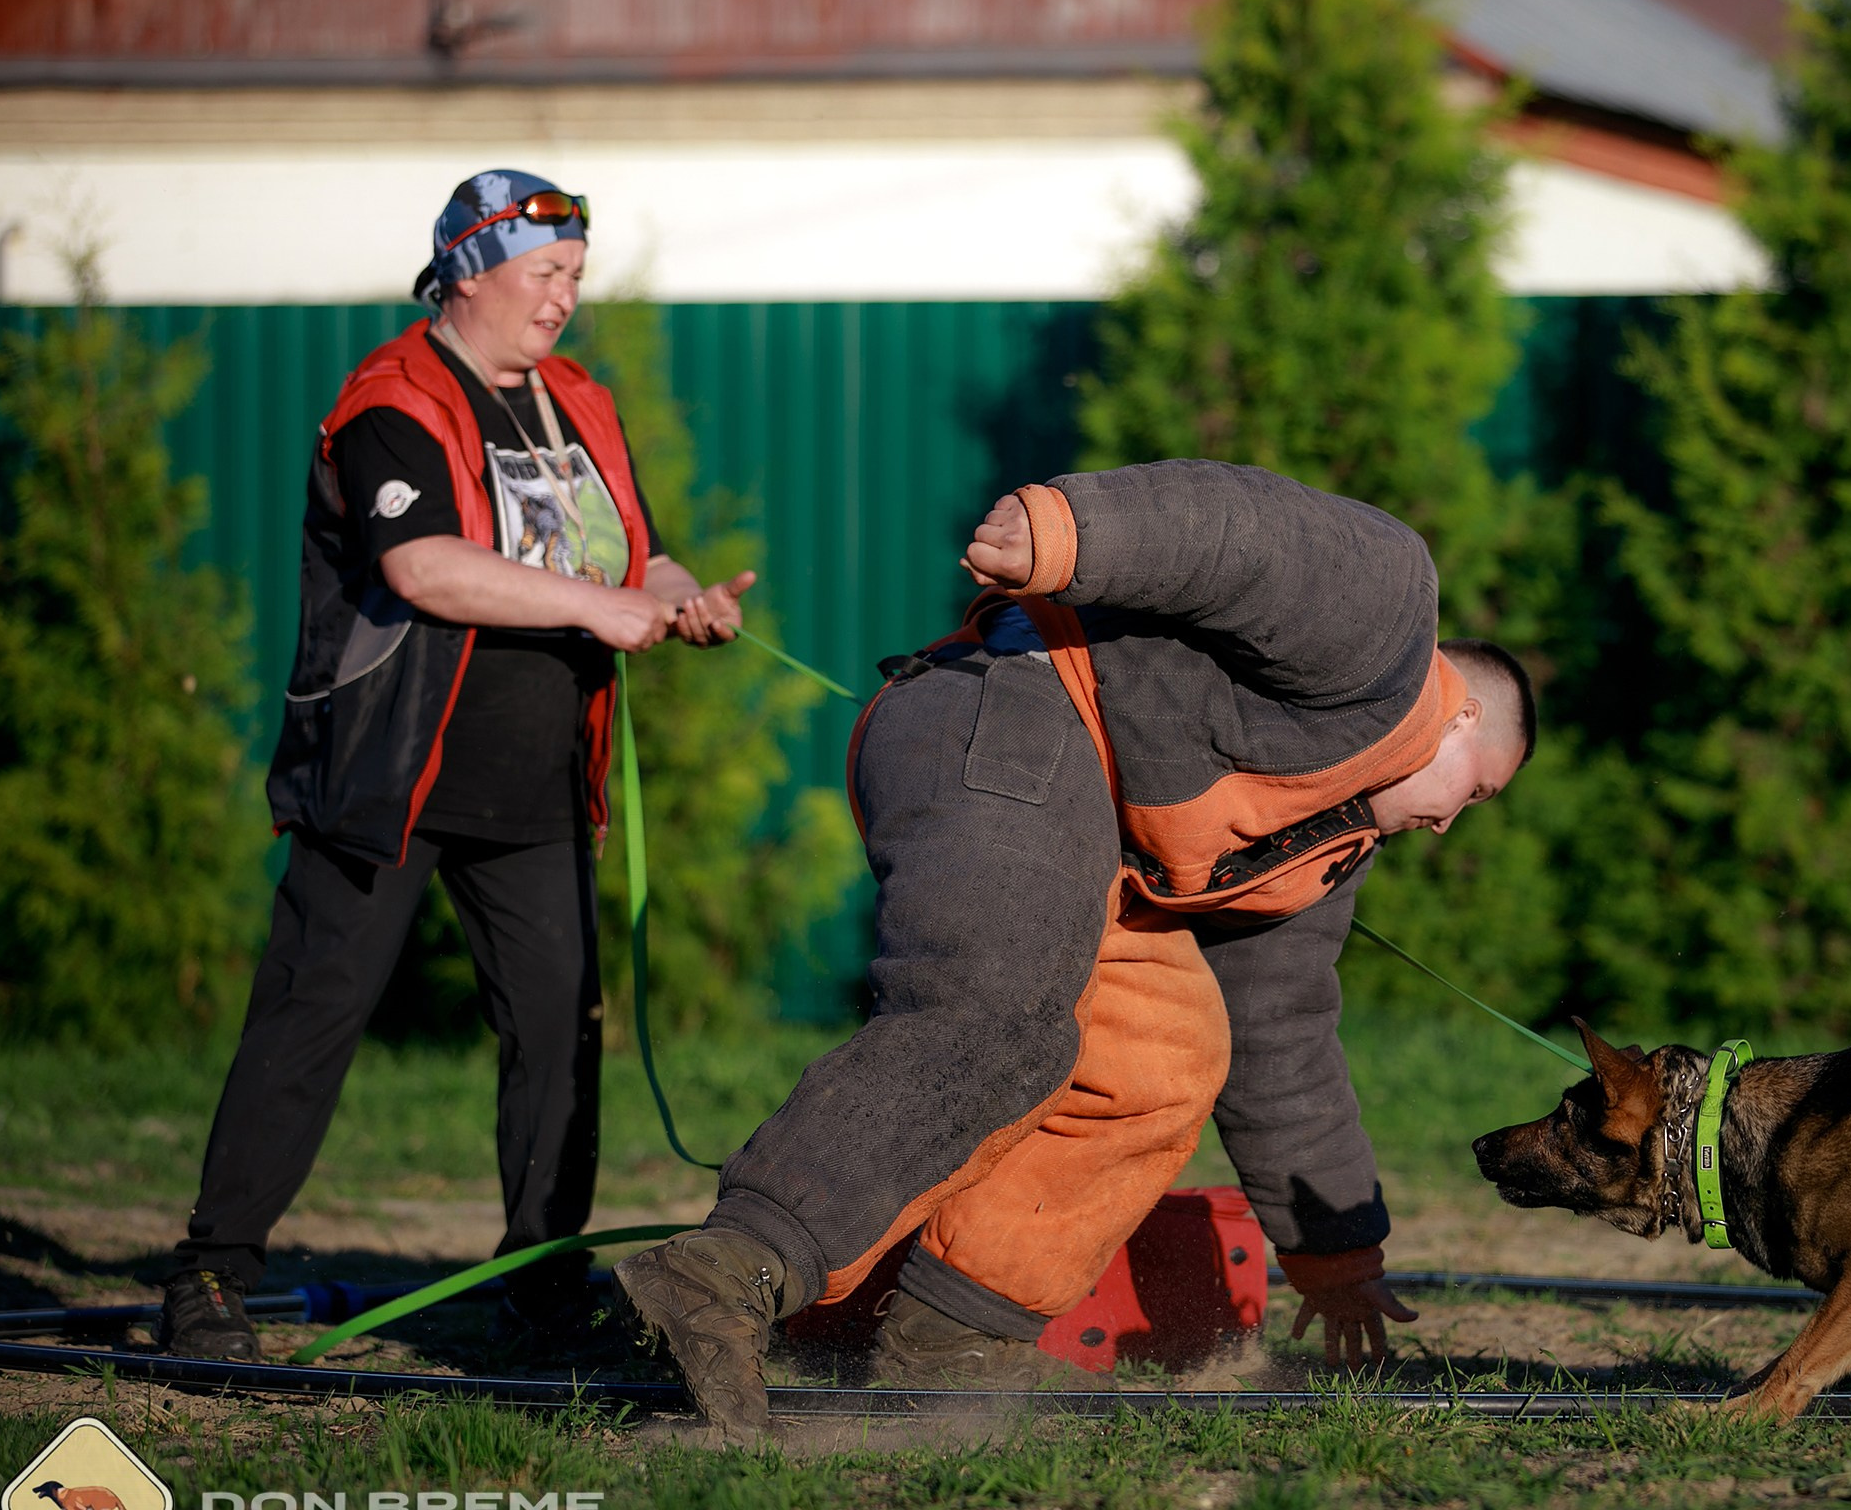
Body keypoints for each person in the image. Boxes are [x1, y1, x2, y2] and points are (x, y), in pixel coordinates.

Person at [616, 459, 1534, 1439]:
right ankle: (723, 1273)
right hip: (1007, 712)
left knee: (1163, 1065)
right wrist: (1062, 529)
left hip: (1084, 827)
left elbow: (1286, 1054)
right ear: (1461, 713)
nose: (1445, 827)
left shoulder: (1323, 858)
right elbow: (1249, 536)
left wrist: (1340, 1264)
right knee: (997, 1014)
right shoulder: (1385, 625)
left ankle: (954, 1340)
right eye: (1472, 794)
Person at [157, 170, 757, 1359]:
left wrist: (682, 600)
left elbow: (635, 556)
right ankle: (210, 1280)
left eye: (575, 277)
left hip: (536, 790)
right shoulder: (390, 399)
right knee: (312, 1017)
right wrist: (598, 610)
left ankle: (540, 1277)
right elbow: (425, 567)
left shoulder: (577, 397)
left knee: (557, 1032)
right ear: (469, 269)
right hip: (390, 778)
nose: (563, 301)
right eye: (545, 275)